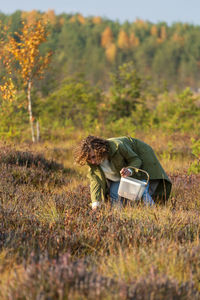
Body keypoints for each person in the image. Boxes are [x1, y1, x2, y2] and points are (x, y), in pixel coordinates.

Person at [74, 135, 172, 209]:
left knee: (140, 190)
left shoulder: (118, 146)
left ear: (100, 150)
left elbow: (136, 160)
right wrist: (96, 204)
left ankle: (153, 212)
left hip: (140, 158)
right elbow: (95, 182)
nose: (93, 161)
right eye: (89, 159)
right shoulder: (92, 163)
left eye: (93, 157)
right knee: (114, 192)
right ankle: (118, 216)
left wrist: (130, 170)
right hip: (119, 174)